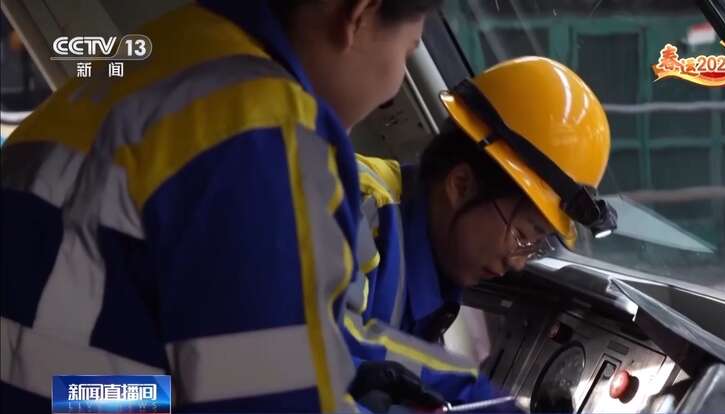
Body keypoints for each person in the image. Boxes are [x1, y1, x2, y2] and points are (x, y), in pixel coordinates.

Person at [0, 0, 441, 412]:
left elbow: (82, 390)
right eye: (408, 50)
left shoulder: (166, 56)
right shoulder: (263, 130)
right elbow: (268, 404)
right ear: (359, 14)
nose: (392, 90)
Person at [342, 56, 616, 409]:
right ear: (461, 185)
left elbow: (397, 365)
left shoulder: (433, 271)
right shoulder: (354, 210)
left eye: (535, 245)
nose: (518, 263)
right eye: (523, 235)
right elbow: (330, 353)